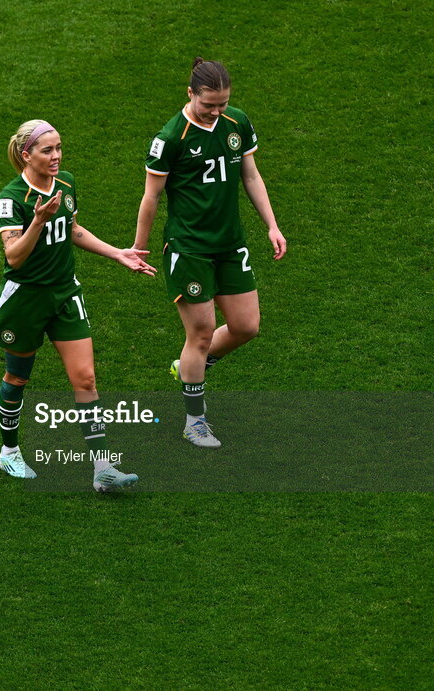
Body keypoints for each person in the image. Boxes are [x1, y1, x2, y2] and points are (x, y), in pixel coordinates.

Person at [0, 119, 155, 491]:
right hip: (25, 299)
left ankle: (102, 469)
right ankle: (9, 452)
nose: (56, 156)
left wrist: (118, 254)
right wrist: (36, 221)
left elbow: (73, 229)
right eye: (47, 150)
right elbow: (14, 257)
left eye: (59, 148)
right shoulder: (12, 196)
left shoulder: (66, 183)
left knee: (86, 379)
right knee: (18, 377)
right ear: (25, 154)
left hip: (65, 294)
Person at [134, 58, 287, 448]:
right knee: (200, 333)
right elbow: (151, 197)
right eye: (209, 105)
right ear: (191, 94)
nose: (217, 112)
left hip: (230, 244)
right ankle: (194, 421)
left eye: (222, 103)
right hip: (189, 248)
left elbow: (250, 175)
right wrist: (140, 246)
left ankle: (189, 369)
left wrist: (271, 224)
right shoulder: (171, 137)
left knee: (246, 327)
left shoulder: (237, 122)